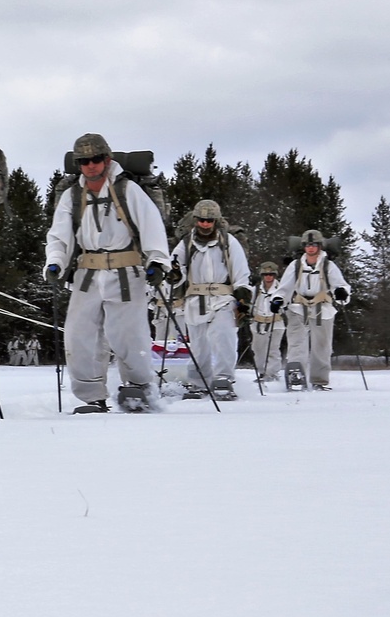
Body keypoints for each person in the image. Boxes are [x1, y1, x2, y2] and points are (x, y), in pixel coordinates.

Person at [45, 133, 171, 413]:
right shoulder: (72, 195)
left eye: (96, 159)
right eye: (84, 161)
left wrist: (157, 262)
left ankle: (137, 389)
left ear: (107, 159)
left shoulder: (128, 190)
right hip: (87, 274)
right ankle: (92, 396)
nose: (90, 165)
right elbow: (60, 235)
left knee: (129, 335)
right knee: (79, 336)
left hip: (127, 273)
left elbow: (152, 227)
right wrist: (55, 261)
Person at [169, 199, 251, 399]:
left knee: (223, 337)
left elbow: (241, 269)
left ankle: (223, 378)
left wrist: (242, 293)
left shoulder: (228, 241)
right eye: (202, 220)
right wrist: (173, 275)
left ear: (216, 221)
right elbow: (175, 266)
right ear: (196, 220)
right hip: (195, 299)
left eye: (209, 220)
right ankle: (198, 381)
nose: (205, 224)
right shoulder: (186, 243)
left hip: (222, 297)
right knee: (198, 344)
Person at [270, 229, 351, 390]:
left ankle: (319, 380)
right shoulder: (296, 265)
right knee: (296, 343)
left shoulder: (329, 266)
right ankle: (296, 374)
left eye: (314, 245)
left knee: (322, 346)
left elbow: (339, 285)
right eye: (307, 245)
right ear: (303, 247)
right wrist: (278, 299)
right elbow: (285, 287)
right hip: (298, 307)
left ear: (320, 246)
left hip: (323, 308)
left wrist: (341, 293)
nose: (311, 248)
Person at [250, 261, 286, 380]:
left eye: (271, 274)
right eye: (266, 275)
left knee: (273, 349)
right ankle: (261, 372)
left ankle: (272, 373)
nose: (268, 277)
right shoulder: (255, 289)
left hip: (275, 322)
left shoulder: (281, 288)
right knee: (258, 349)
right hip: (258, 323)